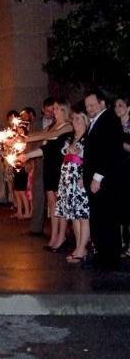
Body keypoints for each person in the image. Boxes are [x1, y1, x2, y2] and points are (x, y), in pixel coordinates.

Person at [20, 99, 73, 251]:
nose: (53, 111)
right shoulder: (52, 126)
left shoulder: (67, 126)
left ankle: (61, 236)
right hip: (49, 165)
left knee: (60, 203)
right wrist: (28, 155)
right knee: (52, 202)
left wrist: (25, 138)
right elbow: (46, 147)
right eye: (53, 108)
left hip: (60, 167)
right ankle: (54, 235)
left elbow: (52, 136)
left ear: (64, 110)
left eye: (57, 108)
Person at [83, 89, 124, 268]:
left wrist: (97, 177)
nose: (89, 108)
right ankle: (104, 255)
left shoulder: (109, 120)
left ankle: (109, 258)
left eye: (92, 105)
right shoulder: (98, 121)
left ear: (102, 103)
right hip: (98, 179)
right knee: (100, 218)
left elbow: (109, 151)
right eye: (87, 106)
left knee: (106, 219)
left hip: (104, 180)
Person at [55, 110, 90, 263]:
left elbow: (88, 160)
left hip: (79, 179)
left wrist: (84, 176)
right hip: (68, 180)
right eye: (73, 119)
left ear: (85, 121)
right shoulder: (71, 139)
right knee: (73, 214)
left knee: (83, 215)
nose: (74, 122)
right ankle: (78, 246)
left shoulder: (87, 139)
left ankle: (82, 248)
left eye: (78, 119)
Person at [27, 98, 55, 236]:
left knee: (53, 197)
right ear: (43, 109)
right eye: (48, 110)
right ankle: (36, 227)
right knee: (38, 194)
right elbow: (31, 141)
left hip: (53, 161)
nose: (51, 113)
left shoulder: (58, 124)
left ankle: (57, 230)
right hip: (38, 160)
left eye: (53, 110)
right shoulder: (36, 123)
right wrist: (30, 159)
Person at [114, 95, 130, 257]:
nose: (117, 108)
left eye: (121, 105)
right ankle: (120, 242)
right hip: (117, 172)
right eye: (116, 106)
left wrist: (120, 143)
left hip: (127, 171)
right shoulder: (115, 126)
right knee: (119, 210)